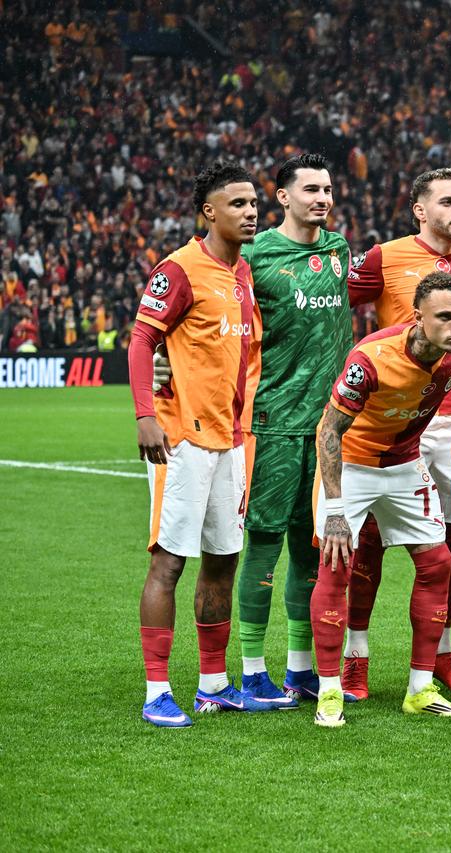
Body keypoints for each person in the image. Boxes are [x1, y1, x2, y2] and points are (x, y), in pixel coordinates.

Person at [309, 272, 451, 727]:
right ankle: (330, 690)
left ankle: (419, 688)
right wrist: (334, 510)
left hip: (405, 466)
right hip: (353, 466)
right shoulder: (370, 358)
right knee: (336, 564)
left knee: (437, 564)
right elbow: (329, 430)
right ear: (417, 318)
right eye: (445, 317)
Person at [342, 167, 451, 699]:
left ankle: (440, 656)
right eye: (448, 201)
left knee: (445, 548)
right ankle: (354, 658)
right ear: (419, 210)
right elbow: (330, 307)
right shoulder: (385, 258)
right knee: (367, 547)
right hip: (391, 424)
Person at [128, 160, 267, 726]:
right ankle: (156, 690)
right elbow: (142, 341)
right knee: (169, 563)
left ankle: (213, 683)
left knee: (223, 561)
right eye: (238, 204)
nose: (251, 211)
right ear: (209, 211)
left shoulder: (242, 273)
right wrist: (144, 415)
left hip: (230, 441)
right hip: (181, 439)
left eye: (254, 202)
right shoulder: (180, 268)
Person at [230, 153, 351, 707]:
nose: (322, 198)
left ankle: (300, 669)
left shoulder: (338, 249)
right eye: (311, 190)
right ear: (282, 197)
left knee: (315, 547)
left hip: (330, 427)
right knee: (263, 542)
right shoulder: (252, 255)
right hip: (272, 422)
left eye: (327, 189)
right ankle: (253, 669)